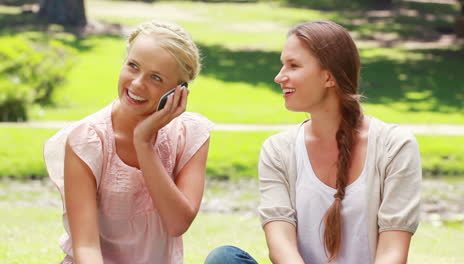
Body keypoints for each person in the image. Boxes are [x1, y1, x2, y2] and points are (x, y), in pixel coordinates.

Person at [205, 19, 421, 264]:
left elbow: (393, 253)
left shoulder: (394, 146)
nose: (279, 77)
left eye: (293, 66)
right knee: (224, 258)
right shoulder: (278, 150)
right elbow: (281, 246)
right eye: (282, 65)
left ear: (329, 77)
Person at [44, 20, 214, 264]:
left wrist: (143, 143)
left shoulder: (191, 134)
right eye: (133, 66)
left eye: (156, 77)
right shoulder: (87, 141)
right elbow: (86, 247)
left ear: (178, 91)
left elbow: (177, 223)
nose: (136, 83)